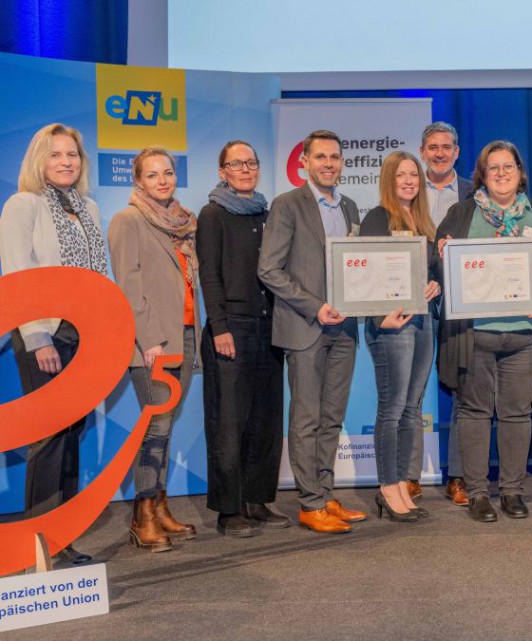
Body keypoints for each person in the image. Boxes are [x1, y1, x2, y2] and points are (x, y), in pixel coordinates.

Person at [0, 123, 107, 564]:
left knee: (71, 434)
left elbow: (100, 281)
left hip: (84, 336)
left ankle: (61, 537)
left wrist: (105, 336)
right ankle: (38, 541)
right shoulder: (23, 204)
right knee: (48, 438)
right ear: (38, 161)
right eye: (56, 154)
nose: (66, 162)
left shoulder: (89, 209)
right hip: (43, 335)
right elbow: (17, 276)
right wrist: (38, 336)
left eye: (73, 155)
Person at [436, 140, 532, 522]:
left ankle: (511, 491)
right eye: (493, 168)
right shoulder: (461, 213)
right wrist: (441, 256)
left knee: (517, 414)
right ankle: (477, 493)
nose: (501, 174)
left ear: (520, 172)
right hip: (477, 334)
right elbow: (440, 266)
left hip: (523, 333)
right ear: (482, 175)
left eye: (508, 167)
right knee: (473, 413)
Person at [258, 130, 367, 534]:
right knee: (306, 417)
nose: (328, 163)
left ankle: (325, 492)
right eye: (320, 157)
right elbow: (269, 269)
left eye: (335, 157)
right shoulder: (287, 205)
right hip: (305, 326)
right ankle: (309, 503)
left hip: (345, 329)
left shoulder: (351, 206)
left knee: (332, 417)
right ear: (304, 161)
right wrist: (315, 306)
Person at [109, 146, 201, 552]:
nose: (163, 180)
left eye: (167, 172)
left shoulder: (179, 224)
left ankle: (160, 506)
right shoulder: (128, 220)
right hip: (152, 341)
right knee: (156, 427)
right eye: (152, 175)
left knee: (168, 424)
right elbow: (128, 287)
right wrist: (149, 341)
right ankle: (141, 514)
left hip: (184, 333)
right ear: (138, 181)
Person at [197, 141, 288, 537]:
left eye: (252, 162)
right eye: (237, 163)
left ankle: (256, 500)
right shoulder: (213, 214)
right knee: (228, 425)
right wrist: (219, 327)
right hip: (230, 327)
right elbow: (210, 275)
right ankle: (228, 510)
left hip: (270, 327)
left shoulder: (269, 214)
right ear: (223, 171)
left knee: (265, 422)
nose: (247, 169)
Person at [360, 151, 441, 522]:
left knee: (412, 409)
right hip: (392, 325)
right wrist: (380, 318)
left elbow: (434, 271)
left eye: (414, 175)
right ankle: (387, 487)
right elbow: (366, 274)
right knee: (391, 410)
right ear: (389, 181)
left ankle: (404, 485)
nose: (409, 181)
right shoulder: (377, 219)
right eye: (401, 175)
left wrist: (436, 285)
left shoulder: (424, 220)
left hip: (424, 322)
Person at [416, 121, 474, 506]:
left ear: (457, 151)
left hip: (462, 300)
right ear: (422, 151)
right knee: (411, 390)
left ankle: (459, 476)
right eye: (433, 147)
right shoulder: (408, 187)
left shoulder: (475, 192)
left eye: (447, 147)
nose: (440, 153)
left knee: (465, 389)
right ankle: (407, 476)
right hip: (417, 297)